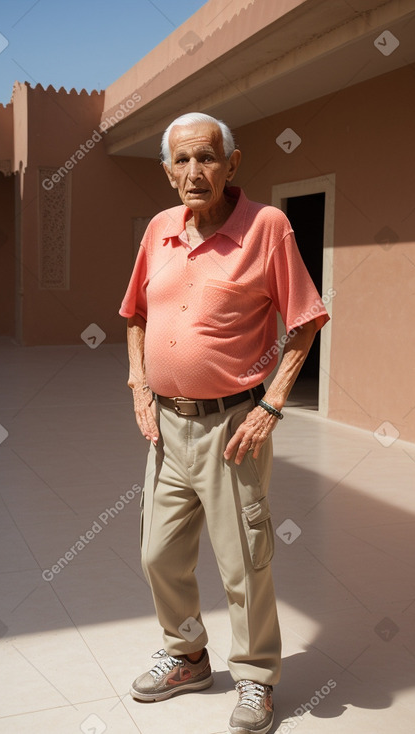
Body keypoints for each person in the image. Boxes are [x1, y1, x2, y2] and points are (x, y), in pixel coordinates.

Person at [119, 111, 330, 734]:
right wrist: (138, 383)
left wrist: (271, 404)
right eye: (181, 161)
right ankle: (186, 654)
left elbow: (307, 318)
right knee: (158, 555)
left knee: (243, 563)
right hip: (166, 426)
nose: (194, 172)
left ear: (231, 164)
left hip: (233, 427)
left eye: (206, 158)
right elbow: (134, 315)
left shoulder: (267, 227)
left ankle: (257, 677)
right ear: (166, 171)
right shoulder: (159, 229)